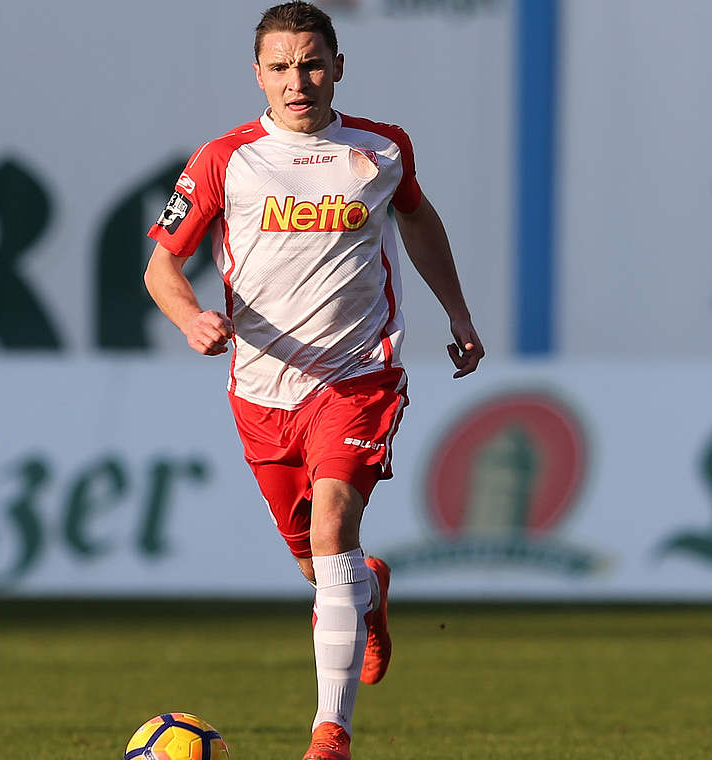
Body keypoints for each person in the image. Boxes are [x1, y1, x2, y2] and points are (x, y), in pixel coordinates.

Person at [144, 3, 483, 758]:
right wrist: (191, 318)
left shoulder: (382, 149)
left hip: (358, 375)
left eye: (311, 63)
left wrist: (457, 313)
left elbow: (418, 220)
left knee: (331, 526)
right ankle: (366, 586)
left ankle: (330, 736)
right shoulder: (224, 159)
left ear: (337, 65)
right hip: (263, 391)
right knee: (317, 562)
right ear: (257, 74)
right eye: (280, 67)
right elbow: (161, 263)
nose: (298, 81)